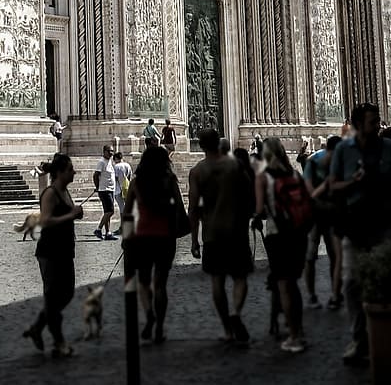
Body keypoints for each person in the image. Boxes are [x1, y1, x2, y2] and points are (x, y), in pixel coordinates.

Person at [329, 101, 391, 364]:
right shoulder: (343, 150)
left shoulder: (390, 148)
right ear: (357, 124)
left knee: (386, 280)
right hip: (355, 224)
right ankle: (359, 338)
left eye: (378, 120)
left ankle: (388, 335)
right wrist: (353, 182)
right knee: (352, 282)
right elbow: (333, 186)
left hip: (385, 223)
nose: (378, 125)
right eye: (373, 121)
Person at [188, 127, 253, 345]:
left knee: (217, 281)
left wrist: (194, 240)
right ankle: (236, 312)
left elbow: (194, 208)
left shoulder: (197, 171)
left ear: (201, 144)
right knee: (240, 277)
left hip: (212, 232)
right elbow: (248, 195)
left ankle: (227, 329)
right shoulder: (234, 165)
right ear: (218, 142)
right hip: (235, 229)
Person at [122, 144, 186, 343]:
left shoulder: (136, 183)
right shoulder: (170, 181)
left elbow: (127, 213)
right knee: (160, 284)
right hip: (165, 237)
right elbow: (180, 208)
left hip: (143, 237)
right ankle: (159, 325)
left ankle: (149, 312)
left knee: (143, 281)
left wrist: (126, 238)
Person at [23, 153, 83, 357]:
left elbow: (68, 214)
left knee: (66, 294)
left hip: (66, 250)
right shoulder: (50, 193)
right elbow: (46, 221)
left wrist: (76, 212)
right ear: (59, 172)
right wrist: (71, 215)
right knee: (53, 297)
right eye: (70, 169)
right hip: (50, 252)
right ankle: (59, 342)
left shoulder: (65, 191)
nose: (73, 171)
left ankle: (37, 328)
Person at [255, 137, 311, 352]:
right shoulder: (295, 173)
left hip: (277, 235)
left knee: (284, 284)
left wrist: (256, 217)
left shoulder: (264, 177)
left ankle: (295, 336)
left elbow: (260, 210)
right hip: (298, 233)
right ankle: (297, 327)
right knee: (293, 283)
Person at [303, 134, 343, 308]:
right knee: (311, 256)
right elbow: (309, 192)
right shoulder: (313, 162)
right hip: (314, 216)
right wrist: (326, 186)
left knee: (336, 255)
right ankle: (311, 295)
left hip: (332, 215)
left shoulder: (339, 165)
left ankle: (336, 294)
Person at [93, 143, 118, 239]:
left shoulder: (110, 161)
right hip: (104, 190)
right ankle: (98, 229)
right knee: (111, 211)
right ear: (104, 152)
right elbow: (95, 175)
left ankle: (108, 232)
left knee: (107, 212)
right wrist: (98, 187)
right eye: (109, 151)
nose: (111, 153)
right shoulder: (101, 162)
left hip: (111, 189)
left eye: (112, 151)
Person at [113, 151, 132, 224]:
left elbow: (115, 178)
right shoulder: (128, 165)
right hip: (127, 187)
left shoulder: (116, 166)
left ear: (116, 159)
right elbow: (130, 176)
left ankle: (122, 225)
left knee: (122, 208)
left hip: (118, 189)